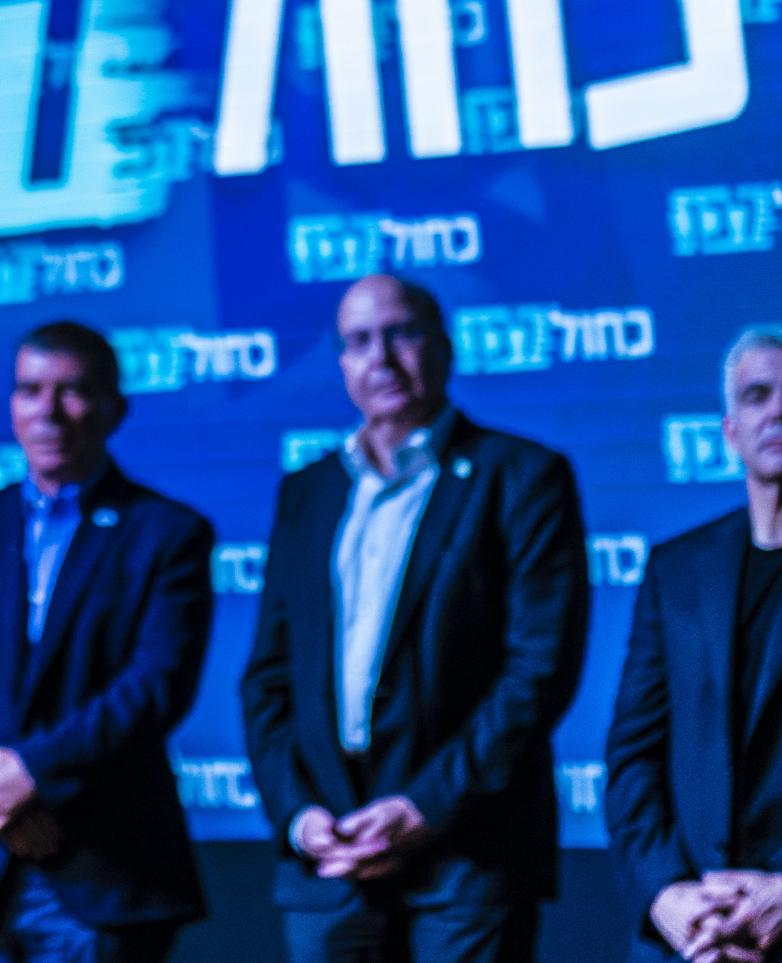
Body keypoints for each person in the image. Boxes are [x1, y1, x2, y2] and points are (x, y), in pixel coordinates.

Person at [240, 274, 589, 963]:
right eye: (359, 341)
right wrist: (300, 816)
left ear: (444, 347)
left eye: (401, 333)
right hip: (327, 861)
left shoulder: (522, 475)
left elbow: (538, 669)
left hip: (467, 854)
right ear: (341, 363)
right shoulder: (307, 491)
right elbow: (268, 678)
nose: (383, 358)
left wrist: (425, 805)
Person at [0, 320, 214, 962]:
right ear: (12, 406)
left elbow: (154, 688)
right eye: (31, 391)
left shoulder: (169, 534)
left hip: (101, 869)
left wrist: (30, 773)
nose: (50, 412)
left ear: (114, 408)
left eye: (73, 391)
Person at [606, 326, 782, 963]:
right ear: (728, 431)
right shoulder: (677, 569)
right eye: (757, 395)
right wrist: (666, 896)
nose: (780, 411)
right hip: (690, 934)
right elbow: (634, 756)